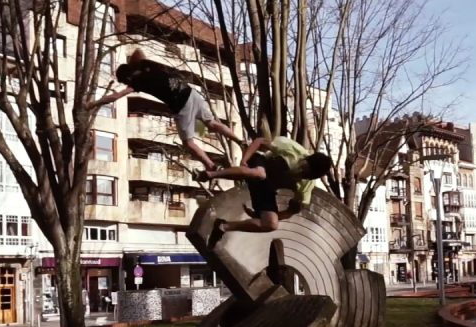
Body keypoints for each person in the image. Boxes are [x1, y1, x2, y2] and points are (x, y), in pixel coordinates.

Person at [97, 48, 244, 171]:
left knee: (188, 143)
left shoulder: (136, 83)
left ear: (127, 78)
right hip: (191, 93)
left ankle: (211, 166)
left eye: (125, 81)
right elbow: (138, 51)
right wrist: (133, 66)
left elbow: (116, 96)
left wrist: (94, 104)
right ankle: (240, 141)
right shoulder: (144, 64)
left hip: (181, 104)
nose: (126, 84)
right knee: (211, 123)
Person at [192, 136, 332, 248]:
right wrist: (244, 160)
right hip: (259, 163)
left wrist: (259, 215)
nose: (299, 173)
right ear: (305, 159)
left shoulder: (306, 187)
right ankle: (209, 175)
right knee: (259, 173)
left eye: (304, 175)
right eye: (302, 168)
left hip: (265, 187)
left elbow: (290, 212)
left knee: (271, 224)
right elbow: (259, 141)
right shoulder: (293, 149)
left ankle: (222, 227)